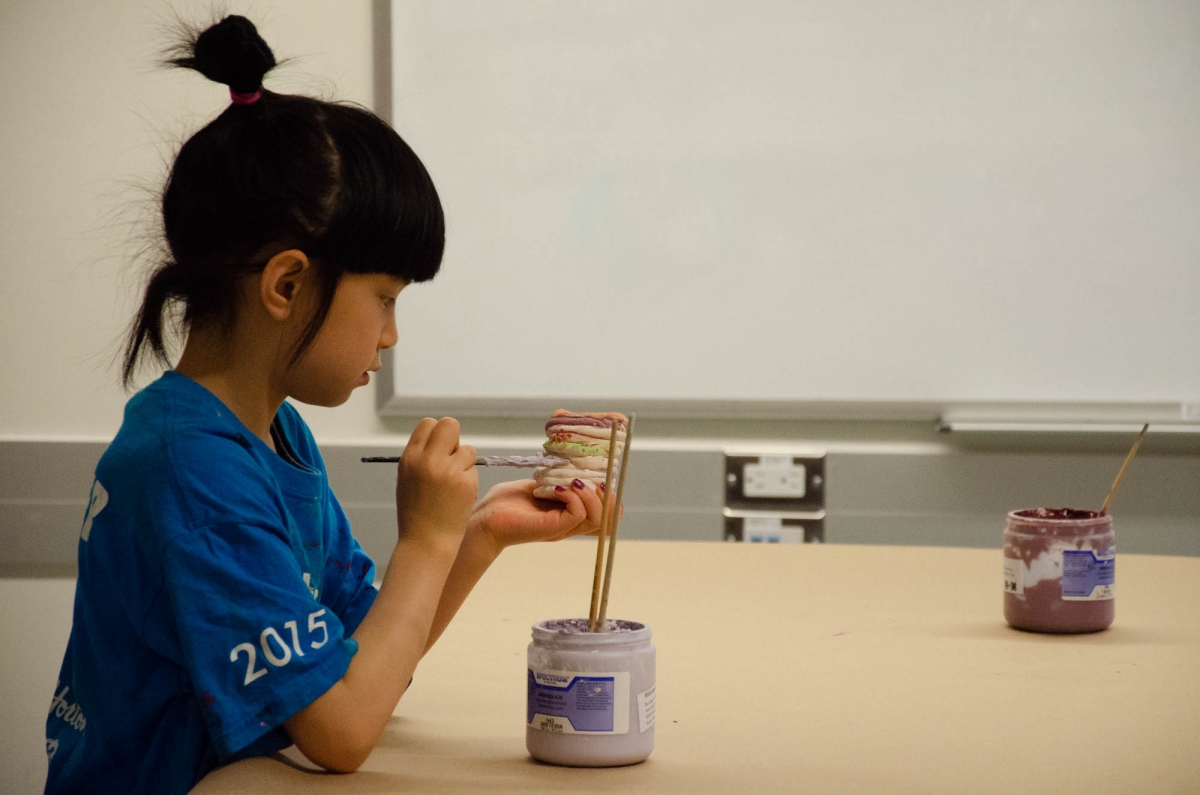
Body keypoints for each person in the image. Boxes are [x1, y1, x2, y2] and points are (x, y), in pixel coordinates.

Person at [44, 16, 608, 794]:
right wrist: (425, 541)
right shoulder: (193, 469)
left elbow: (357, 655)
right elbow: (341, 729)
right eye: (383, 298)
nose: (390, 335)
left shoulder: (272, 433)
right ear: (286, 284)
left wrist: (476, 536)